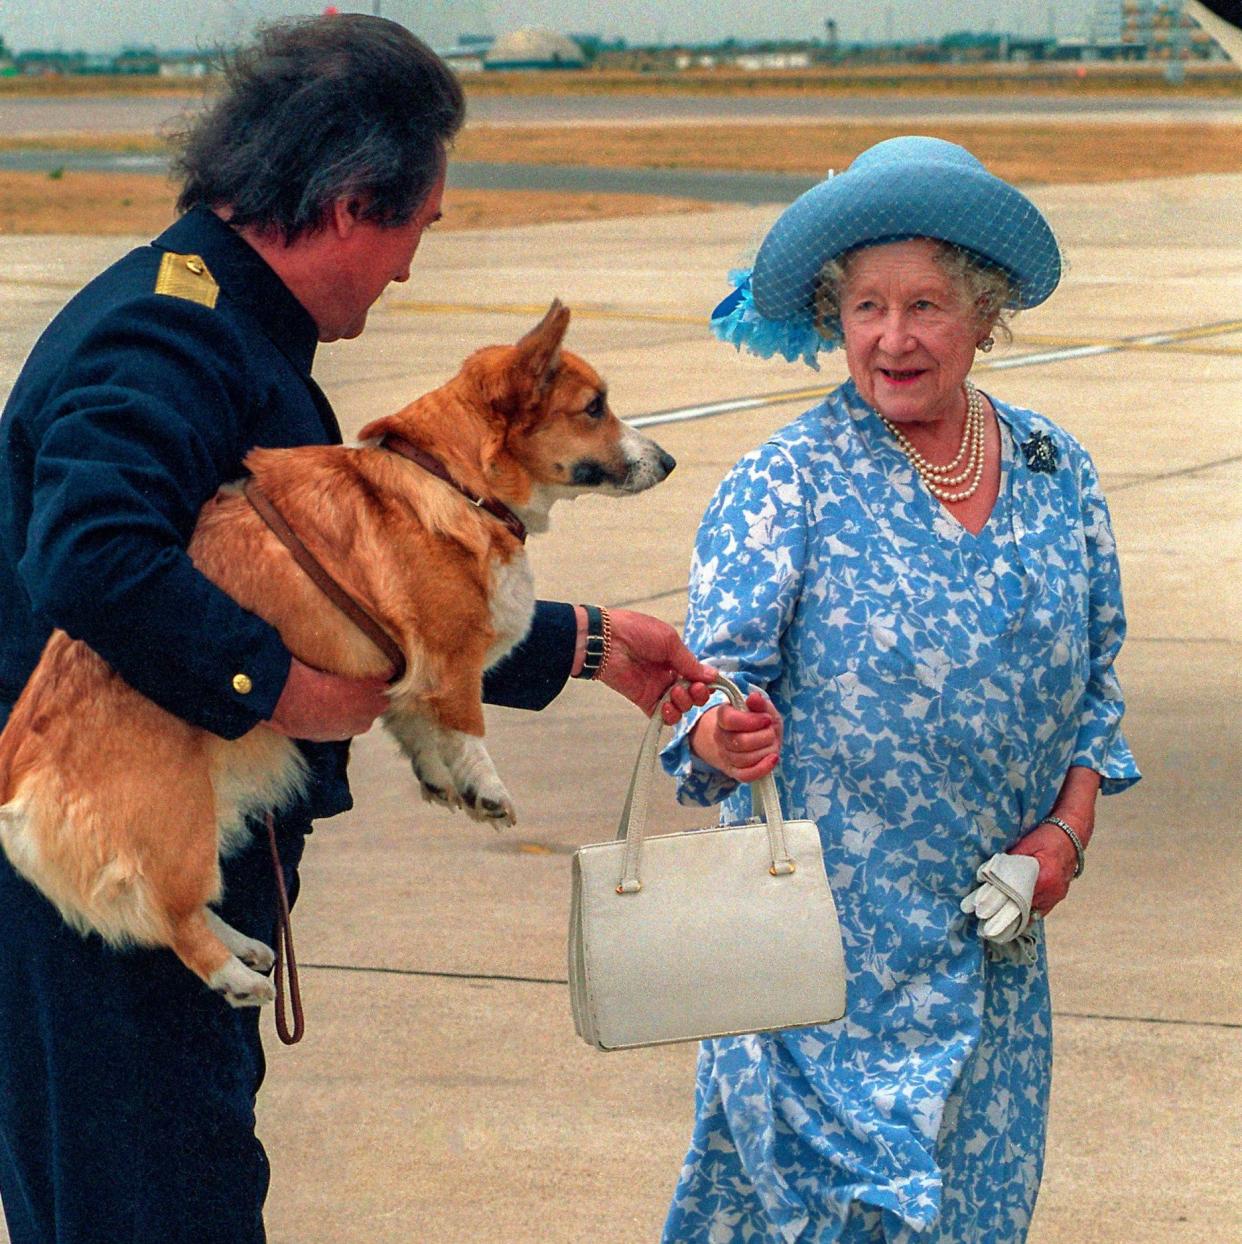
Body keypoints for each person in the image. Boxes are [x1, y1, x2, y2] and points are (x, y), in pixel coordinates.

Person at [0, 17, 714, 1244]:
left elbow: (357, 590)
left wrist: (589, 644)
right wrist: (271, 683)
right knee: (152, 1208)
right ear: (345, 203)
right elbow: (90, 553)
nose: (407, 270)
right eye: (414, 229)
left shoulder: (228, 320)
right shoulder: (167, 333)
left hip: (147, 877)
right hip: (104, 898)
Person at [657, 136, 1140, 1243]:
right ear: (836, 318)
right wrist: (721, 732)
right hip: (822, 979)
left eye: (925, 304)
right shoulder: (787, 480)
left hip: (993, 958)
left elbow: (1096, 691)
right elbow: (701, 689)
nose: (893, 336)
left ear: (984, 311)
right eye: (866, 306)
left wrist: (1061, 838)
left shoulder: (1055, 468)